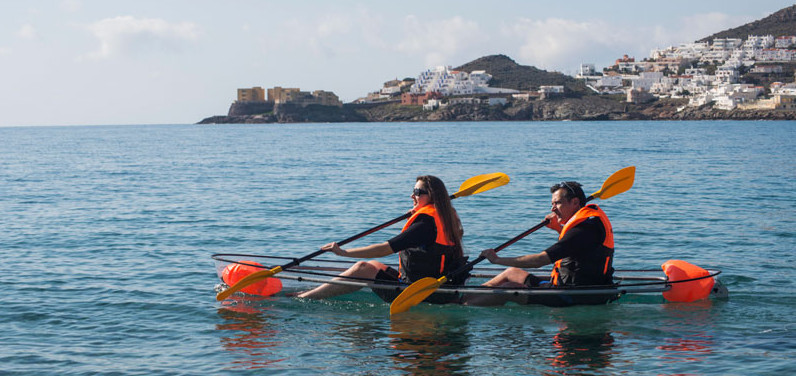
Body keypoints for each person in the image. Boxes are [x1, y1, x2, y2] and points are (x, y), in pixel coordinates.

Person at [296, 175, 468, 304]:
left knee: (362, 268)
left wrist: (343, 252)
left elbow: (386, 248)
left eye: (417, 192)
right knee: (372, 265)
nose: (411, 196)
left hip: (421, 294)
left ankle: (304, 298)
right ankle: (314, 293)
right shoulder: (446, 216)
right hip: (439, 288)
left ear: (430, 196)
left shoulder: (425, 222)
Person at [463, 181, 617, 307]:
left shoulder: (585, 228)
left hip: (574, 296)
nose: (553, 209)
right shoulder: (586, 223)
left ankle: (465, 308)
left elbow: (540, 260)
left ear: (575, 202)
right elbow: (576, 248)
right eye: (552, 204)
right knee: (512, 272)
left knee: (509, 288)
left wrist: (497, 260)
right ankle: (462, 297)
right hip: (562, 287)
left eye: (557, 203)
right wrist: (559, 229)